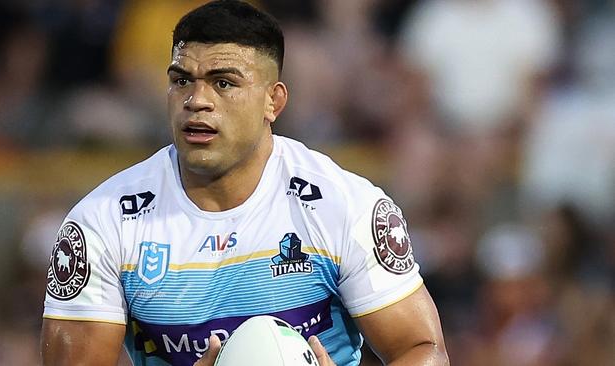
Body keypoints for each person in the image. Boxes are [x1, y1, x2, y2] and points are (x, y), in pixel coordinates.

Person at [40, 1, 448, 365]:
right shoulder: (102, 222)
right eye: (182, 80)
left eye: (223, 83)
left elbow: (422, 350)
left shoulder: (343, 205)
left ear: (274, 101)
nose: (196, 100)